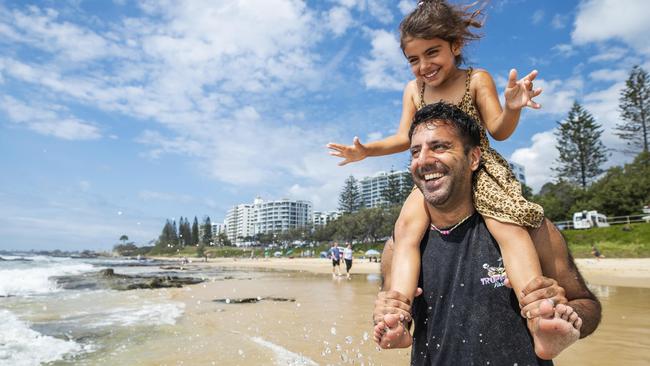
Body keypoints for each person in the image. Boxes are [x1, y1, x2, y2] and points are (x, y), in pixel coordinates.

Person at [328, 0, 549, 350]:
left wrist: (512, 107)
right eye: (414, 59)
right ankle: (398, 316)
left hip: (478, 168)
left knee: (508, 226)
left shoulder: (476, 79)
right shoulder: (413, 91)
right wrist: (366, 151)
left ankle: (540, 317)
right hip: (434, 178)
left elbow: (498, 130)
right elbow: (404, 138)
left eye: (432, 53)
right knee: (405, 230)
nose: (424, 66)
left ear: (456, 46)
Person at [373, 102, 601, 364]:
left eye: (440, 146)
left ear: (474, 158)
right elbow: (394, 315)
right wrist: (385, 319)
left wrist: (565, 317)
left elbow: (587, 305)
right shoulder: (399, 243)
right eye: (415, 152)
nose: (423, 160)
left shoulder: (529, 228)